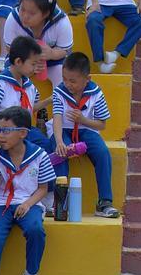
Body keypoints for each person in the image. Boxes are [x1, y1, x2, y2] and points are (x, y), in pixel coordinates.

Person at [0, 106, 56, 275]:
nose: (0, 135)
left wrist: (27, 204)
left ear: (23, 133)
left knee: (35, 230)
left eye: (6, 131)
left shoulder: (39, 155)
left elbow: (43, 188)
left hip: (29, 202)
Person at [49, 52, 119, 217]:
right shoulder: (59, 92)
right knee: (60, 152)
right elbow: (57, 118)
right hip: (64, 131)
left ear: (87, 79)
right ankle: (59, 202)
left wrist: (83, 120)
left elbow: (102, 124)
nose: (68, 84)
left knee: (102, 153)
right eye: (64, 79)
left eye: (73, 81)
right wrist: (59, 141)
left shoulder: (96, 93)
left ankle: (104, 202)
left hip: (87, 131)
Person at [3, 0, 73, 87]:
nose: (25, 16)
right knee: (10, 72)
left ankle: (60, 97)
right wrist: (29, 62)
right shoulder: (13, 18)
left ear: (45, 14)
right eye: (22, 9)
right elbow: (10, 48)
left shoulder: (61, 21)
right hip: (22, 59)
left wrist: (52, 53)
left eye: (32, 13)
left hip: (52, 61)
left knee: (63, 72)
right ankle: (14, 97)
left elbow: (65, 50)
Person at [0, 36, 43, 142]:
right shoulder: (0, 84)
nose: (35, 68)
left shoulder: (30, 86)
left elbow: (32, 107)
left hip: (22, 131)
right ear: (18, 61)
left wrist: (50, 100)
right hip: (0, 133)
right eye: (33, 64)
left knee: (44, 143)